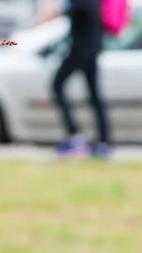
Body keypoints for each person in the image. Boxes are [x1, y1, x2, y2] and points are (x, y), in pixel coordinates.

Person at [52, 0, 113, 157]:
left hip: (82, 49)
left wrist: (64, 9)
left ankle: (76, 137)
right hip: (91, 48)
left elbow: (81, 11)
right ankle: (103, 140)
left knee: (57, 85)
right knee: (94, 95)